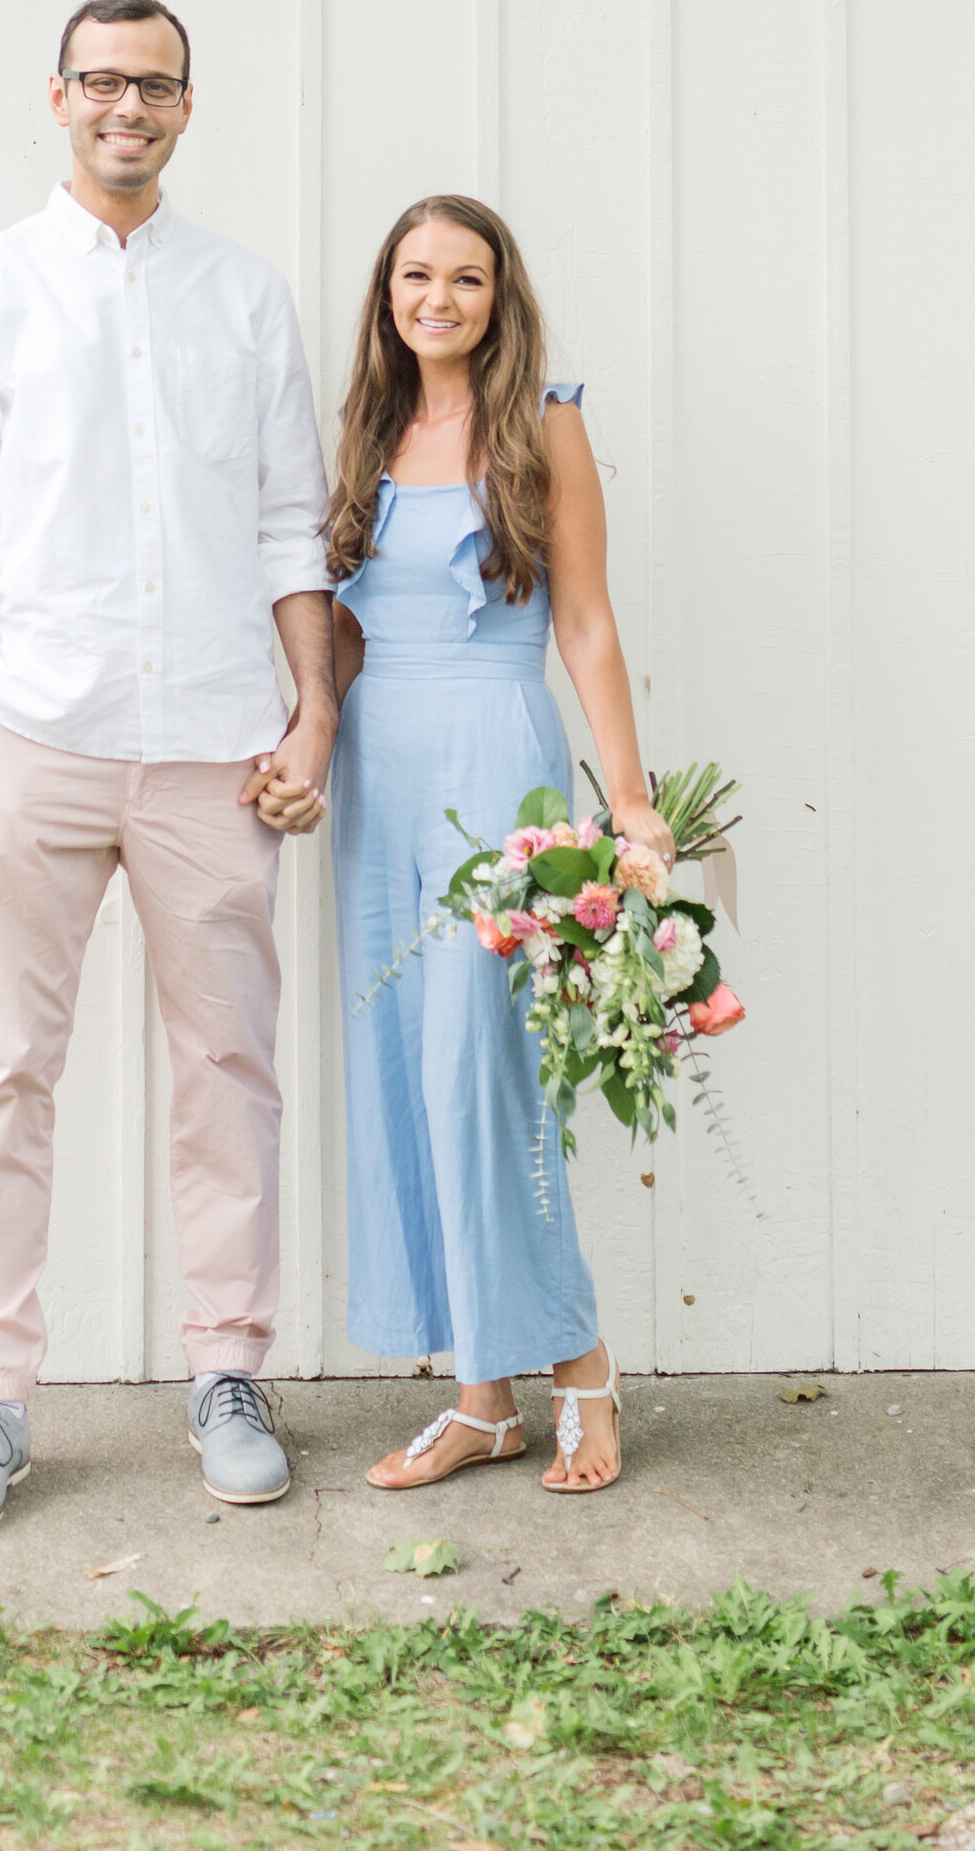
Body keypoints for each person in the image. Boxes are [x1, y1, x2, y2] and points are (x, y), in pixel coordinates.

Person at [0, 0, 336, 1537]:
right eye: (102, 80)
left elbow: (293, 523)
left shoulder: (245, 296)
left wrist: (311, 712)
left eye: (154, 84)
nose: (126, 106)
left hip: (216, 742)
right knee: (3, 1067)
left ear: (188, 107)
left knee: (231, 1072)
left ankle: (227, 1371)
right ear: (60, 96)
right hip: (39, 738)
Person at [256, 196, 670, 1498]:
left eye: (467, 277)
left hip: (496, 763)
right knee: (404, 1081)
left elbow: (587, 623)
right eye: (417, 274)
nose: (439, 296)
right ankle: (482, 1398)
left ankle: (583, 1365)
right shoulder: (366, 430)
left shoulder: (544, 419)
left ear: (501, 296)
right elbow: (338, 626)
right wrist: (298, 741)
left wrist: (635, 803)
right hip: (382, 779)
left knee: (484, 1079)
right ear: (388, 291)